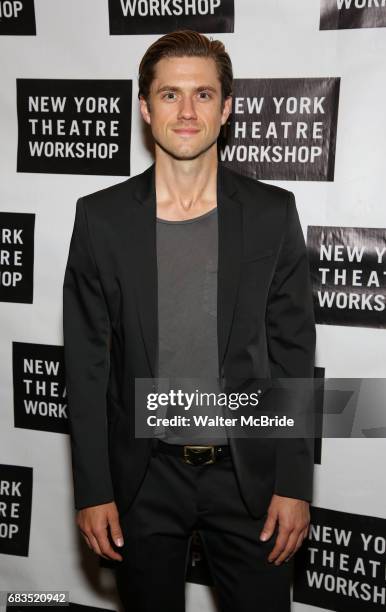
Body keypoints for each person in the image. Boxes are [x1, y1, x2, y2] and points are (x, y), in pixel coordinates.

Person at [63, 30, 316, 612]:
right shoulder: (100, 220)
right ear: (145, 108)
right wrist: (94, 489)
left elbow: (293, 355)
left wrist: (293, 483)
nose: (186, 111)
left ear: (226, 109)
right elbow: (86, 365)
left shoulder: (272, 213)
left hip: (249, 478)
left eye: (203, 95)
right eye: (170, 94)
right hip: (142, 481)